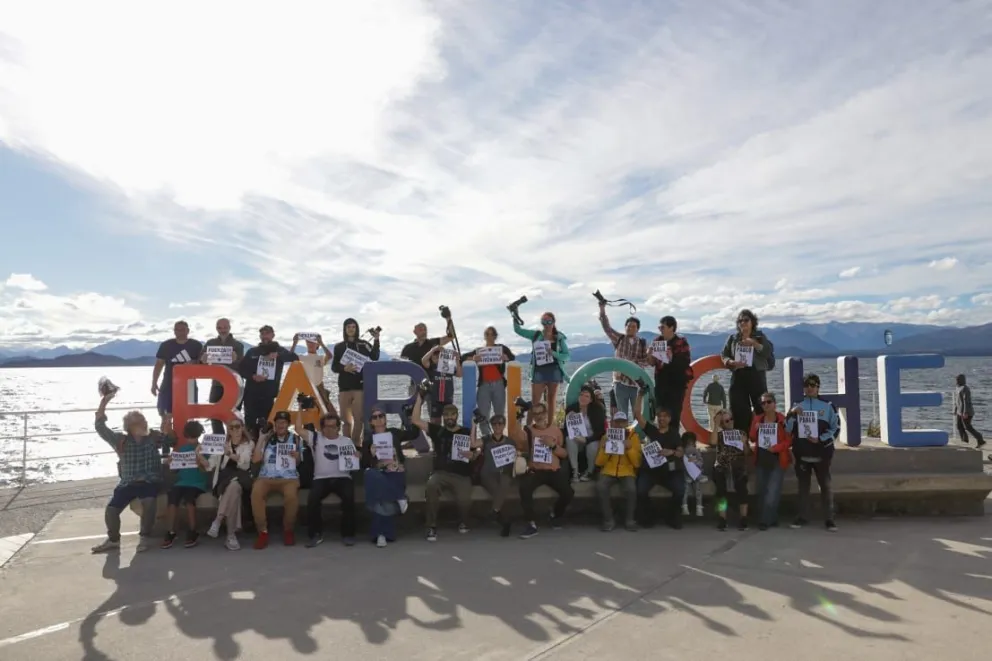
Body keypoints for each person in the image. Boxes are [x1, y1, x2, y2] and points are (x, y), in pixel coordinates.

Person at [91, 391, 174, 553]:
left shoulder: (153, 437)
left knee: (149, 502)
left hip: (150, 481)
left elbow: (171, 440)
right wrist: (104, 402)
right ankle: (113, 539)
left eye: (144, 421)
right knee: (111, 510)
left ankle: (144, 537)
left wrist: (167, 425)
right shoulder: (120, 440)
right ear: (130, 427)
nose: (144, 424)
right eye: (140, 422)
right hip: (128, 482)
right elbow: (100, 427)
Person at [412, 393, 477, 542]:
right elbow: (415, 420)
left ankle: (463, 521)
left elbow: (475, 453)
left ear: (456, 415)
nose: (449, 418)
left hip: (461, 475)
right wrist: (419, 398)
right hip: (440, 473)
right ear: (442, 417)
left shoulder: (466, 432)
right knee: (431, 485)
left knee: (465, 499)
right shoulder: (438, 431)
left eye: (452, 414)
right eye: (446, 415)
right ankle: (431, 526)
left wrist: (471, 456)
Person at [785, 373, 839, 532]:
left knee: (826, 486)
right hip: (802, 454)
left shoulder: (828, 406)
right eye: (807, 385)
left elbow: (836, 429)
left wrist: (821, 439)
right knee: (803, 487)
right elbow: (787, 429)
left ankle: (829, 519)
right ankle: (802, 517)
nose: (810, 388)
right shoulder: (797, 405)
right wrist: (792, 414)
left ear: (818, 387)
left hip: (822, 453)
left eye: (813, 385)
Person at [511, 400, 573, 539]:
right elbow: (516, 438)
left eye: (541, 413)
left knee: (568, 492)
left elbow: (564, 454)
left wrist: (552, 446)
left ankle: (555, 514)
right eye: (535, 413)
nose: (538, 416)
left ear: (546, 414)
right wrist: (519, 418)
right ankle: (531, 523)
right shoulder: (528, 431)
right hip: (536, 470)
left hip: (553, 470)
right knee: (525, 488)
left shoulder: (555, 430)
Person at [361, 403, 420, 547]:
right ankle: (399, 497)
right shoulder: (368, 440)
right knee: (370, 475)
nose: (379, 419)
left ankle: (380, 535)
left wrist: (408, 416)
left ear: (385, 419)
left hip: (396, 473)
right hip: (380, 474)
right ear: (371, 422)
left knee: (380, 498)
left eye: (381, 416)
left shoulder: (394, 433)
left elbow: (414, 433)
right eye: (375, 417)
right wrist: (370, 454)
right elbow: (364, 464)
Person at [299, 412, 358, 547]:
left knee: (349, 497)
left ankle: (348, 534)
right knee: (313, 499)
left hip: (342, 477)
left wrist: (357, 456)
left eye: (333, 426)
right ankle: (315, 534)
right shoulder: (315, 438)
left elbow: (353, 462)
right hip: (321, 478)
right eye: (326, 426)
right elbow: (298, 429)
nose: (329, 429)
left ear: (338, 428)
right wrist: (302, 408)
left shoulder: (346, 441)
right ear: (322, 428)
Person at [250, 411, 302, 549]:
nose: (281, 425)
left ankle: (288, 530)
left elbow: (298, 462)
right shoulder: (267, 438)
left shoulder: (296, 439)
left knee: (291, 496)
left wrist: (296, 456)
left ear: (288, 424)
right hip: (266, 476)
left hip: (288, 477)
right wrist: (261, 438)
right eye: (278, 422)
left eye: (284, 422)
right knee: (256, 493)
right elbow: (255, 459)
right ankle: (263, 532)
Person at [631, 399, 685, 529]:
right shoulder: (651, 430)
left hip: (669, 472)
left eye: (665, 416)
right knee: (641, 491)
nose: (661, 419)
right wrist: (640, 395)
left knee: (680, 490)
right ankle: (649, 515)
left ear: (670, 418)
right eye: (659, 416)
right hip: (651, 471)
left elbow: (680, 453)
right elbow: (637, 414)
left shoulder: (674, 433)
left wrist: (670, 452)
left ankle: (671, 516)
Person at [238, 326, 299, 436]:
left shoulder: (280, 350)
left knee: (268, 426)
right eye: (262, 334)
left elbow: (294, 357)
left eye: (267, 333)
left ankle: (265, 449)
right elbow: (241, 369)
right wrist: (252, 376)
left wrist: (279, 355)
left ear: (272, 335)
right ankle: (252, 449)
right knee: (250, 426)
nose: (265, 336)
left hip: (268, 396)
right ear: (260, 336)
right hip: (251, 394)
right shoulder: (252, 351)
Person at [721, 309, 774, 434]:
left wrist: (755, 344)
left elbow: (767, 352)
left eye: (746, 320)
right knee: (738, 409)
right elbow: (724, 354)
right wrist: (730, 362)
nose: (743, 323)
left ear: (752, 322)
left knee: (762, 408)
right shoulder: (732, 338)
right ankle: (742, 443)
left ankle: (764, 442)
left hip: (756, 376)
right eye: (740, 320)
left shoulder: (760, 336)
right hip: (738, 375)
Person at [206, 413, 255, 550]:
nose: (235, 430)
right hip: (224, 479)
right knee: (233, 490)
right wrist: (199, 456)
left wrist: (230, 454)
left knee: (234, 486)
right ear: (228, 430)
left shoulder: (248, 444)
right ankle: (230, 536)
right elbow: (210, 465)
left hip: (241, 477)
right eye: (231, 428)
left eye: (237, 427)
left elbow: (245, 464)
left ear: (242, 428)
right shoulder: (221, 444)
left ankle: (218, 520)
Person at [594, 398, 644, 532]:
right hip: (608, 471)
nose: (620, 425)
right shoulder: (606, 436)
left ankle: (630, 520)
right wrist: (604, 449)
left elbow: (637, 463)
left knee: (631, 489)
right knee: (600, 487)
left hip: (627, 471)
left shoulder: (634, 437)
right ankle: (608, 520)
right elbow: (598, 462)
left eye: (623, 422)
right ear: (613, 423)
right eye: (617, 422)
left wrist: (629, 449)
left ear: (627, 423)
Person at [513, 311, 571, 425]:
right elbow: (518, 330)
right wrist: (514, 315)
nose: (546, 324)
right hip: (539, 371)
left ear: (553, 322)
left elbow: (567, 355)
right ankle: (529, 427)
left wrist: (553, 353)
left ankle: (550, 426)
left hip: (554, 370)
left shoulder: (559, 338)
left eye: (549, 321)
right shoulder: (535, 335)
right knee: (535, 401)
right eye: (544, 322)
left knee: (551, 400)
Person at [161, 420, 211, 549]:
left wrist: (199, 458)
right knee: (173, 498)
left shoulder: (203, 450)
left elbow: (206, 468)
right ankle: (170, 532)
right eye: (190, 437)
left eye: (193, 436)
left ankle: (192, 530)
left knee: (189, 500)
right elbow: (174, 470)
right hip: (182, 482)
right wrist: (171, 462)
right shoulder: (182, 449)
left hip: (197, 483)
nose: (191, 440)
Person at [331, 319, 381, 443]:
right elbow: (333, 367)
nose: (351, 329)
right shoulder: (339, 347)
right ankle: (346, 445)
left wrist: (376, 339)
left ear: (357, 329)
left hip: (359, 387)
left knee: (358, 419)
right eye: (348, 327)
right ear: (345, 329)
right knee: (345, 421)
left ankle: (356, 445)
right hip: (344, 387)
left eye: (353, 327)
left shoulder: (364, 344)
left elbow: (375, 357)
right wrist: (344, 368)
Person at [461, 327, 516, 437]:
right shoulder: (479, 351)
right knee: (483, 414)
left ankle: (499, 437)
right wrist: (473, 358)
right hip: (484, 385)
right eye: (487, 334)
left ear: (495, 336)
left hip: (499, 384)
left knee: (499, 414)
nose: (490, 337)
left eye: (492, 334)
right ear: (485, 336)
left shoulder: (501, 348)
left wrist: (506, 357)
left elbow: (512, 357)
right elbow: (462, 357)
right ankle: (486, 438)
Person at [749, 392, 792, 531]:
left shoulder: (782, 420)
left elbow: (789, 440)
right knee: (762, 490)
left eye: (768, 402)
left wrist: (776, 448)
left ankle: (764, 521)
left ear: (774, 403)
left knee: (773, 492)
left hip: (777, 459)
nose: (766, 405)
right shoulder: (757, 419)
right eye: (763, 403)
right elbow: (752, 439)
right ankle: (771, 518)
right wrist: (755, 431)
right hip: (761, 459)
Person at [400, 321, 455, 428]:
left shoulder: (432, 343)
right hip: (415, 385)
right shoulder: (408, 348)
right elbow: (401, 365)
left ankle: (436, 441)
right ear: (414, 332)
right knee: (410, 413)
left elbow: (451, 336)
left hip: (432, 384)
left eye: (425, 329)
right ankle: (411, 439)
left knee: (434, 417)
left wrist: (448, 320)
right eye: (420, 329)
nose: (424, 331)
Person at [597, 301, 648, 417]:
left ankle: (637, 435)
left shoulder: (642, 343)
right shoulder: (619, 339)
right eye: (628, 326)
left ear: (637, 329)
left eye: (633, 326)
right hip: (620, 383)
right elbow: (607, 328)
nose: (630, 328)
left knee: (638, 415)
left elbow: (645, 361)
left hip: (636, 384)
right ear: (625, 327)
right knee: (621, 415)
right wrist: (602, 309)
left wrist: (631, 363)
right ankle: (623, 435)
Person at [151, 320, 203, 427]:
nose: (180, 332)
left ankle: (188, 442)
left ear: (188, 331)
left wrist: (194, 362)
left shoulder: (196, 345)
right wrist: (154, 382)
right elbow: (159, 365)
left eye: (182, 330)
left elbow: (204, 364)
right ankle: (166, 442)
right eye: (177, 330)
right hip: (168, 385)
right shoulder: (166, 345)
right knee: (165, 416)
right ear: (174, 331)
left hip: (189, 386)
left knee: (189, 417)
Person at [474, 413, 518, 537]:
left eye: (500, 423)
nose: (497, 426)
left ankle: (497, 515)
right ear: (492, 426)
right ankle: (503, 519)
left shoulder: (510, 442)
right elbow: (472, 444)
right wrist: (474, 424)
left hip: (504, 472)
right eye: (494, 423)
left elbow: (515, 457)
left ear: (504, 425)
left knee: (504, 483)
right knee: (499, 492)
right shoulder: (486, 439)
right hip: (488, 474)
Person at [647, 316, 693, 433]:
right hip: (661, 383)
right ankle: (661, 441)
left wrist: (672, 357)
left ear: (671, 327)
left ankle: (673, 442)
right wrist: (649, 354)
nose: (660, 329)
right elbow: (652, 363)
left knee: (674, 414)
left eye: (662, 327)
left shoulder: (681, 342)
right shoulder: (657, 341)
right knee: (660, 414)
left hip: (676, 384)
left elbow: (685, 362)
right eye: (659, 327)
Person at [202, 318, 245, 434]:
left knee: (234, 416)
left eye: (225, 327)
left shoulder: (238, 345)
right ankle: (219, 443)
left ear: (229, 327)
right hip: (216, 384)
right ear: (216, 329)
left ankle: (234, 444)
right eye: (220, 328)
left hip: (234, 385)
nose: (223, 330)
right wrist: (203, 359)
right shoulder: (210, 343)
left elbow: (242, 365)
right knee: (214, 415)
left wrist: (236, 359)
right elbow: (201, 363)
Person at [711, 410, 749, 531]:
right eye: (726, 421)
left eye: (731, 419)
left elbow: (747, 453)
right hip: (722, 465)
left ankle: (743, 518)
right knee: (721, 491)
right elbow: (712, 442)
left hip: (738, 465)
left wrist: (744, 443)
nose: (730, 422)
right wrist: (716, 425)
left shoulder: (741, 433)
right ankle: (722, 518)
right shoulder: (720, 434)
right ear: (722, 424)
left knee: (742, 488)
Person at [561, 384, 607, 482]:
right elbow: (565, 430)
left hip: (592, 438)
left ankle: (590, 471)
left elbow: (600, 432)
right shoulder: (572, 409)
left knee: (592, 446)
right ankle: (575, 471)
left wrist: (587, 439)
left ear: (591, 400)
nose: (583, 398)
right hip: (578, 438)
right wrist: (569, 419)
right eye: (581, 395)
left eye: (586, 396)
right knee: (569, 439)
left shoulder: (597, 410)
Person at [291, 333, 336, 417]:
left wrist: (322, 343)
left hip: (320, 389)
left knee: (331, 414)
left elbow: (330, 356)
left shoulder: (320, 357)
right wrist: (294, 343)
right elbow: (290, 356)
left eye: (313, 342)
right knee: (310, 416)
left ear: (317, 344)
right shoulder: (302, 357)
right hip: (307, 390)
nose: (310, 344)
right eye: (308, 342)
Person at [421, 344, 463, 434]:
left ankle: (448, 443)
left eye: (439, 354)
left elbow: (460, 374)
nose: (436, 356)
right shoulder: (432, 367)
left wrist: (457, 360)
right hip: (435, 399)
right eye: (434, 355)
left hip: (448, 399)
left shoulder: (449, 367)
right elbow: (423, 360)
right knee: (435, 423)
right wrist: (433, 349)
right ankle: (436, 444)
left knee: (449, 423)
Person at [953, 374, 985, 447]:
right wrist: (955, 409)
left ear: (961, 380)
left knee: (968, 427)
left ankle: (980, 439)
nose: (956, 381)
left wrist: (965, 412)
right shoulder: (957, 388)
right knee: (959, 426)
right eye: (956, 379)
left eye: (957, 379)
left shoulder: (965, 388)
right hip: (959, 411)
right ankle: (965, 440)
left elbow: (966, 401)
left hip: (966, 412)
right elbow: (957, 400)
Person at [680, 432, 707, 517]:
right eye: (688, 443)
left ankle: (699, 508)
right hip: (686, 475)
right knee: (685, 490)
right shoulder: (682, 452)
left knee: (698, 490)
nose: (690, 445)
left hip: (695, 475)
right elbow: (681, 464)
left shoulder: (696, 451)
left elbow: (700, 461)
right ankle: (684, 507)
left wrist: (696, 462)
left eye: (692, 443)